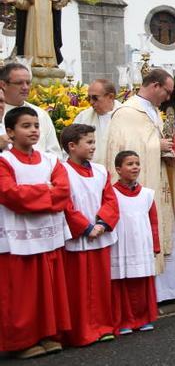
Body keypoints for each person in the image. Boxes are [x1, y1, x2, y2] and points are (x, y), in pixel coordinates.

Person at [105, 68, 175, 304]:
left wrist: (163, 148)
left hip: (161, 180)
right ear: (155, 85)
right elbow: (124, 149)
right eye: (166, 92)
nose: (168, 97)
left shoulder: (153, 112)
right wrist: (157, 145)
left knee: (168, 231)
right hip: (144, 184)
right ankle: (153, 293)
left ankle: (171, 290)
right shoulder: (127, 111)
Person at [0, 107, 71, 359]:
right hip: (17, 238)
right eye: (26, 126)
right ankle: (22, 341)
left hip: (47, 235)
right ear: (10, 132)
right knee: (22, 292)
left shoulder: (51, 160)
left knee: (47, 289)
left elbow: (63, 192)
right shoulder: (4, 161)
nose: (33, 130)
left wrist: (34, 193)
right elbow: (10, 194)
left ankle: (47, 333)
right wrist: (46, 190)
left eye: (35, 126)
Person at [59, 124, 119, 347]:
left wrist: (102, 224)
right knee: (79, 288)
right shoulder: (61, 171)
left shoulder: (101, 170)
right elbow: (64, 203)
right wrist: (85, 227)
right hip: (79, 238)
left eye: (94, 141)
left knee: (102, 287)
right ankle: (81, 332)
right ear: (72, 146)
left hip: (100, 235)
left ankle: (103, 327)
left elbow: (110, 200)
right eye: (89, 142)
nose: (94, 146)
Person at [110, 151, 160, 335]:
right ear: (118, 169)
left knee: (142, 281)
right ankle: (124, 320)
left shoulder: (147, 194)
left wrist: (155, 245)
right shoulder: (111, 193)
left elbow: (153, 220)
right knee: (123, 281)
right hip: (121, 244)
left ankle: (143, 318)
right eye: (129, 164)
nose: (135, 167)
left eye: (137, 163)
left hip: (141, 243)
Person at [1, 0, 71, 67]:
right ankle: (34, 61)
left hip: (48, 22)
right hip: (33, 20)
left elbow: (57, 6)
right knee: (33, 39)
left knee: (49, 40)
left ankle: (50, 63)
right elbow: (24, 4)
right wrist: (15, 0)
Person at [0, 63, 63, 156]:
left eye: (28, 83)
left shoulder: (40, 114)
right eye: (19, 83)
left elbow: (54, 152)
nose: (25, 87)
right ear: (3, 85)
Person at [73, 79, 122, 166]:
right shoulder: (83, 117)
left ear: (110, 97)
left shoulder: (126, 115)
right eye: (89, 98)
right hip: (89, 174)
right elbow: (71, 147)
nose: (91, 102)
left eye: (95, 98)